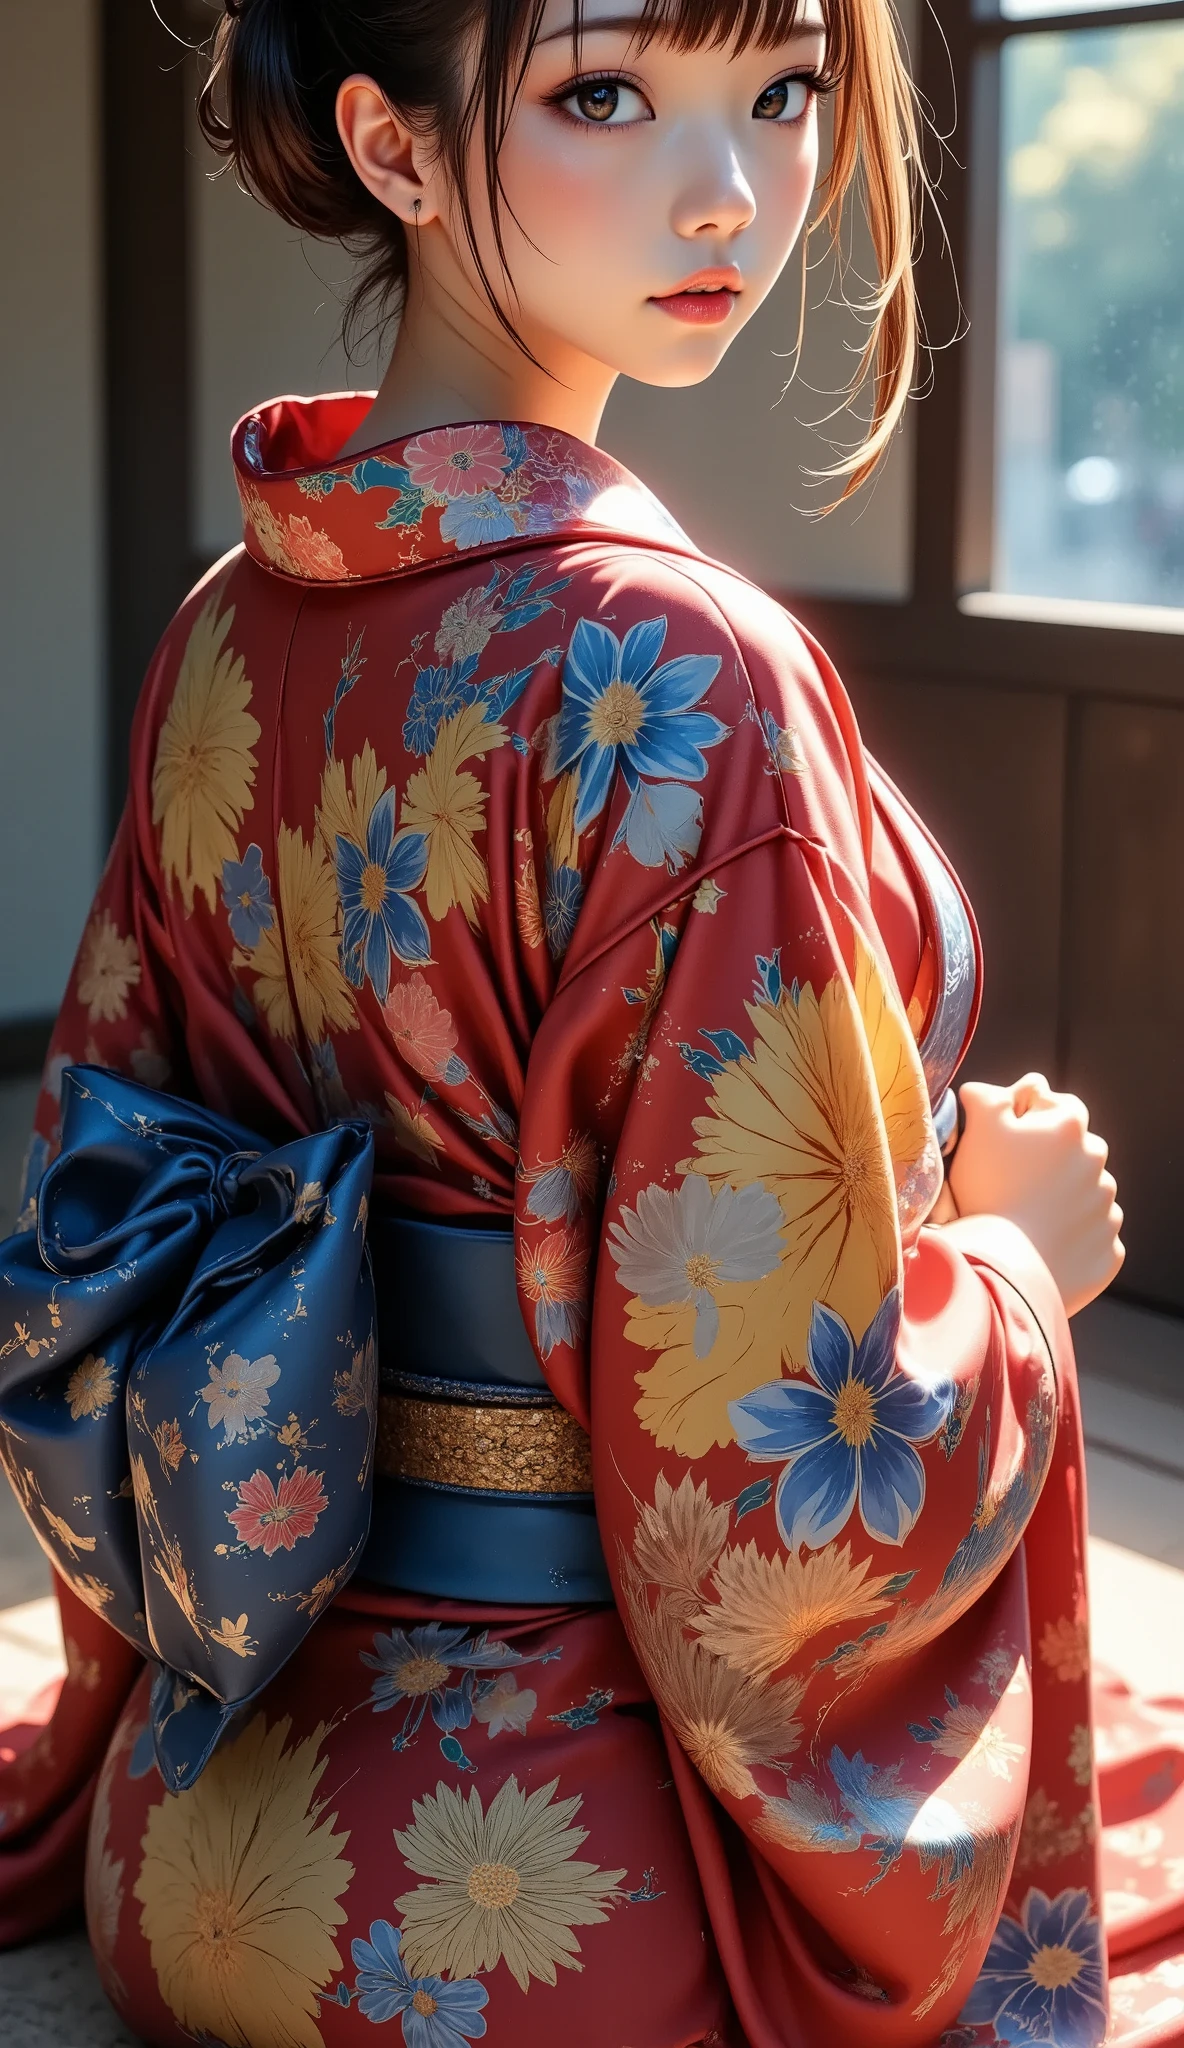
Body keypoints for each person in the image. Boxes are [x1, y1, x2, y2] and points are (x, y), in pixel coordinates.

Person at [0, 1, 1178, 2043]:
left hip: (199, 1835)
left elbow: (106, 1221)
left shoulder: (224, 621)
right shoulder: (682, 677)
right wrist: (1005, 1265)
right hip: (555, 1900)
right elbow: (761, 1480)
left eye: (784, 90)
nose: (724, 187)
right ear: (388, 142)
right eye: (605, 93)